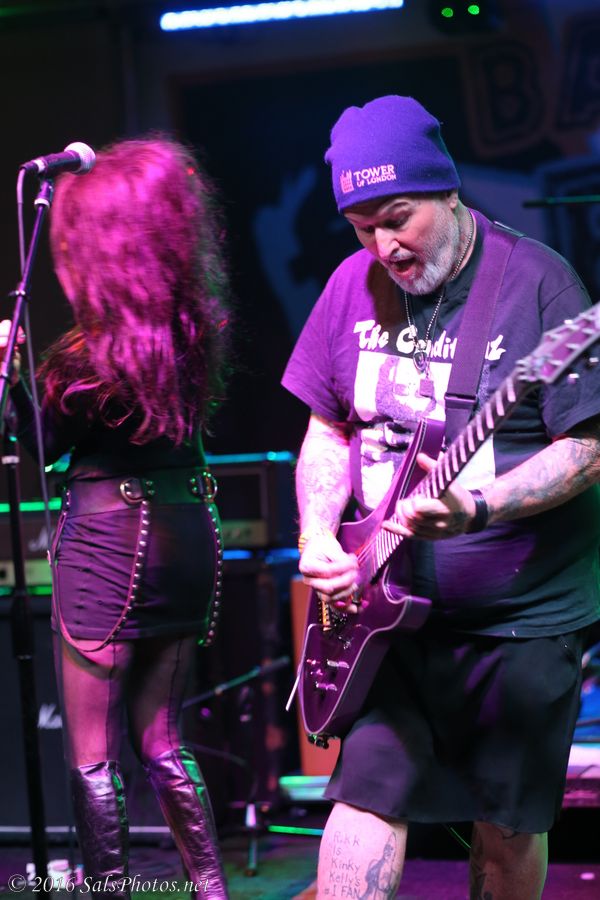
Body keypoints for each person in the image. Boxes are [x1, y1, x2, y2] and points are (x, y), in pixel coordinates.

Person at [282, 96, 600, 899]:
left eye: (399, 219)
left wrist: (480, 508)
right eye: (363, 228)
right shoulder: (350, 286)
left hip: (519, 615)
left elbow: (588, 448)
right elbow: (327, 427)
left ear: (448, 192)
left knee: (506, 824)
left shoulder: (538, 285)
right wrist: (318, 534)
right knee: (364, 794)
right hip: (384, 606)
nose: (383, 246)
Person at [7, 137, 231, 898]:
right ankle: (210, 890)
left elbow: (41, 445)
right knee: (163, 739)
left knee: (94, 755)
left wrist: (14, 382)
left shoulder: (85, 362)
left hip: (108, 541)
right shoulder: (191, 332)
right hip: (187, 531)